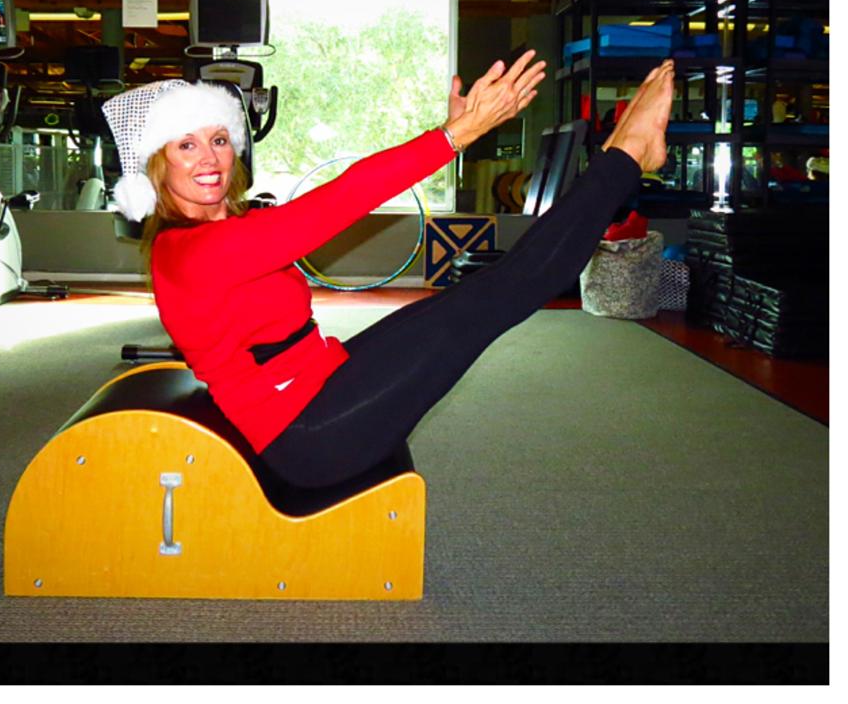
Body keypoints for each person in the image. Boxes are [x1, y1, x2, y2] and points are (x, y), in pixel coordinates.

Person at [102, 53, 675, 489]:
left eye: (219, 139)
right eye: (185, 147)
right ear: (157, 166)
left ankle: (624, 160)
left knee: (463, 302)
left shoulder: (224, 229)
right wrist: (456, 136)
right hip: (304, 434)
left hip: (320, 382)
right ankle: (624, 158)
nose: (210, 159)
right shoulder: (190, 251)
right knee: (497, 296)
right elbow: (337, 202)